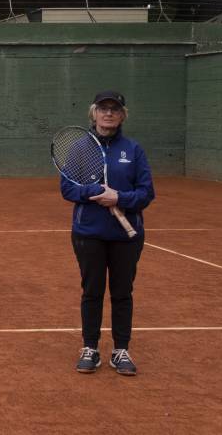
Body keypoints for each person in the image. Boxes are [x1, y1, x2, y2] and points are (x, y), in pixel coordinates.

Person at [64, 90, 154, 376]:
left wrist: (120, 199)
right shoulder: (79, 149)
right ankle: (90, 347)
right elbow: (67, 189)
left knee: (122, 292)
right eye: (103, 109)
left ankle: (121, 350)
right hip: (88, 232)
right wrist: (95, 192)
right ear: (94, 113)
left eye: (114, 109)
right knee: (92, 291)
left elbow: (146, 192)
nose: (108, 114)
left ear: (122, 115)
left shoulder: (134, 149)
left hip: (126, 236)